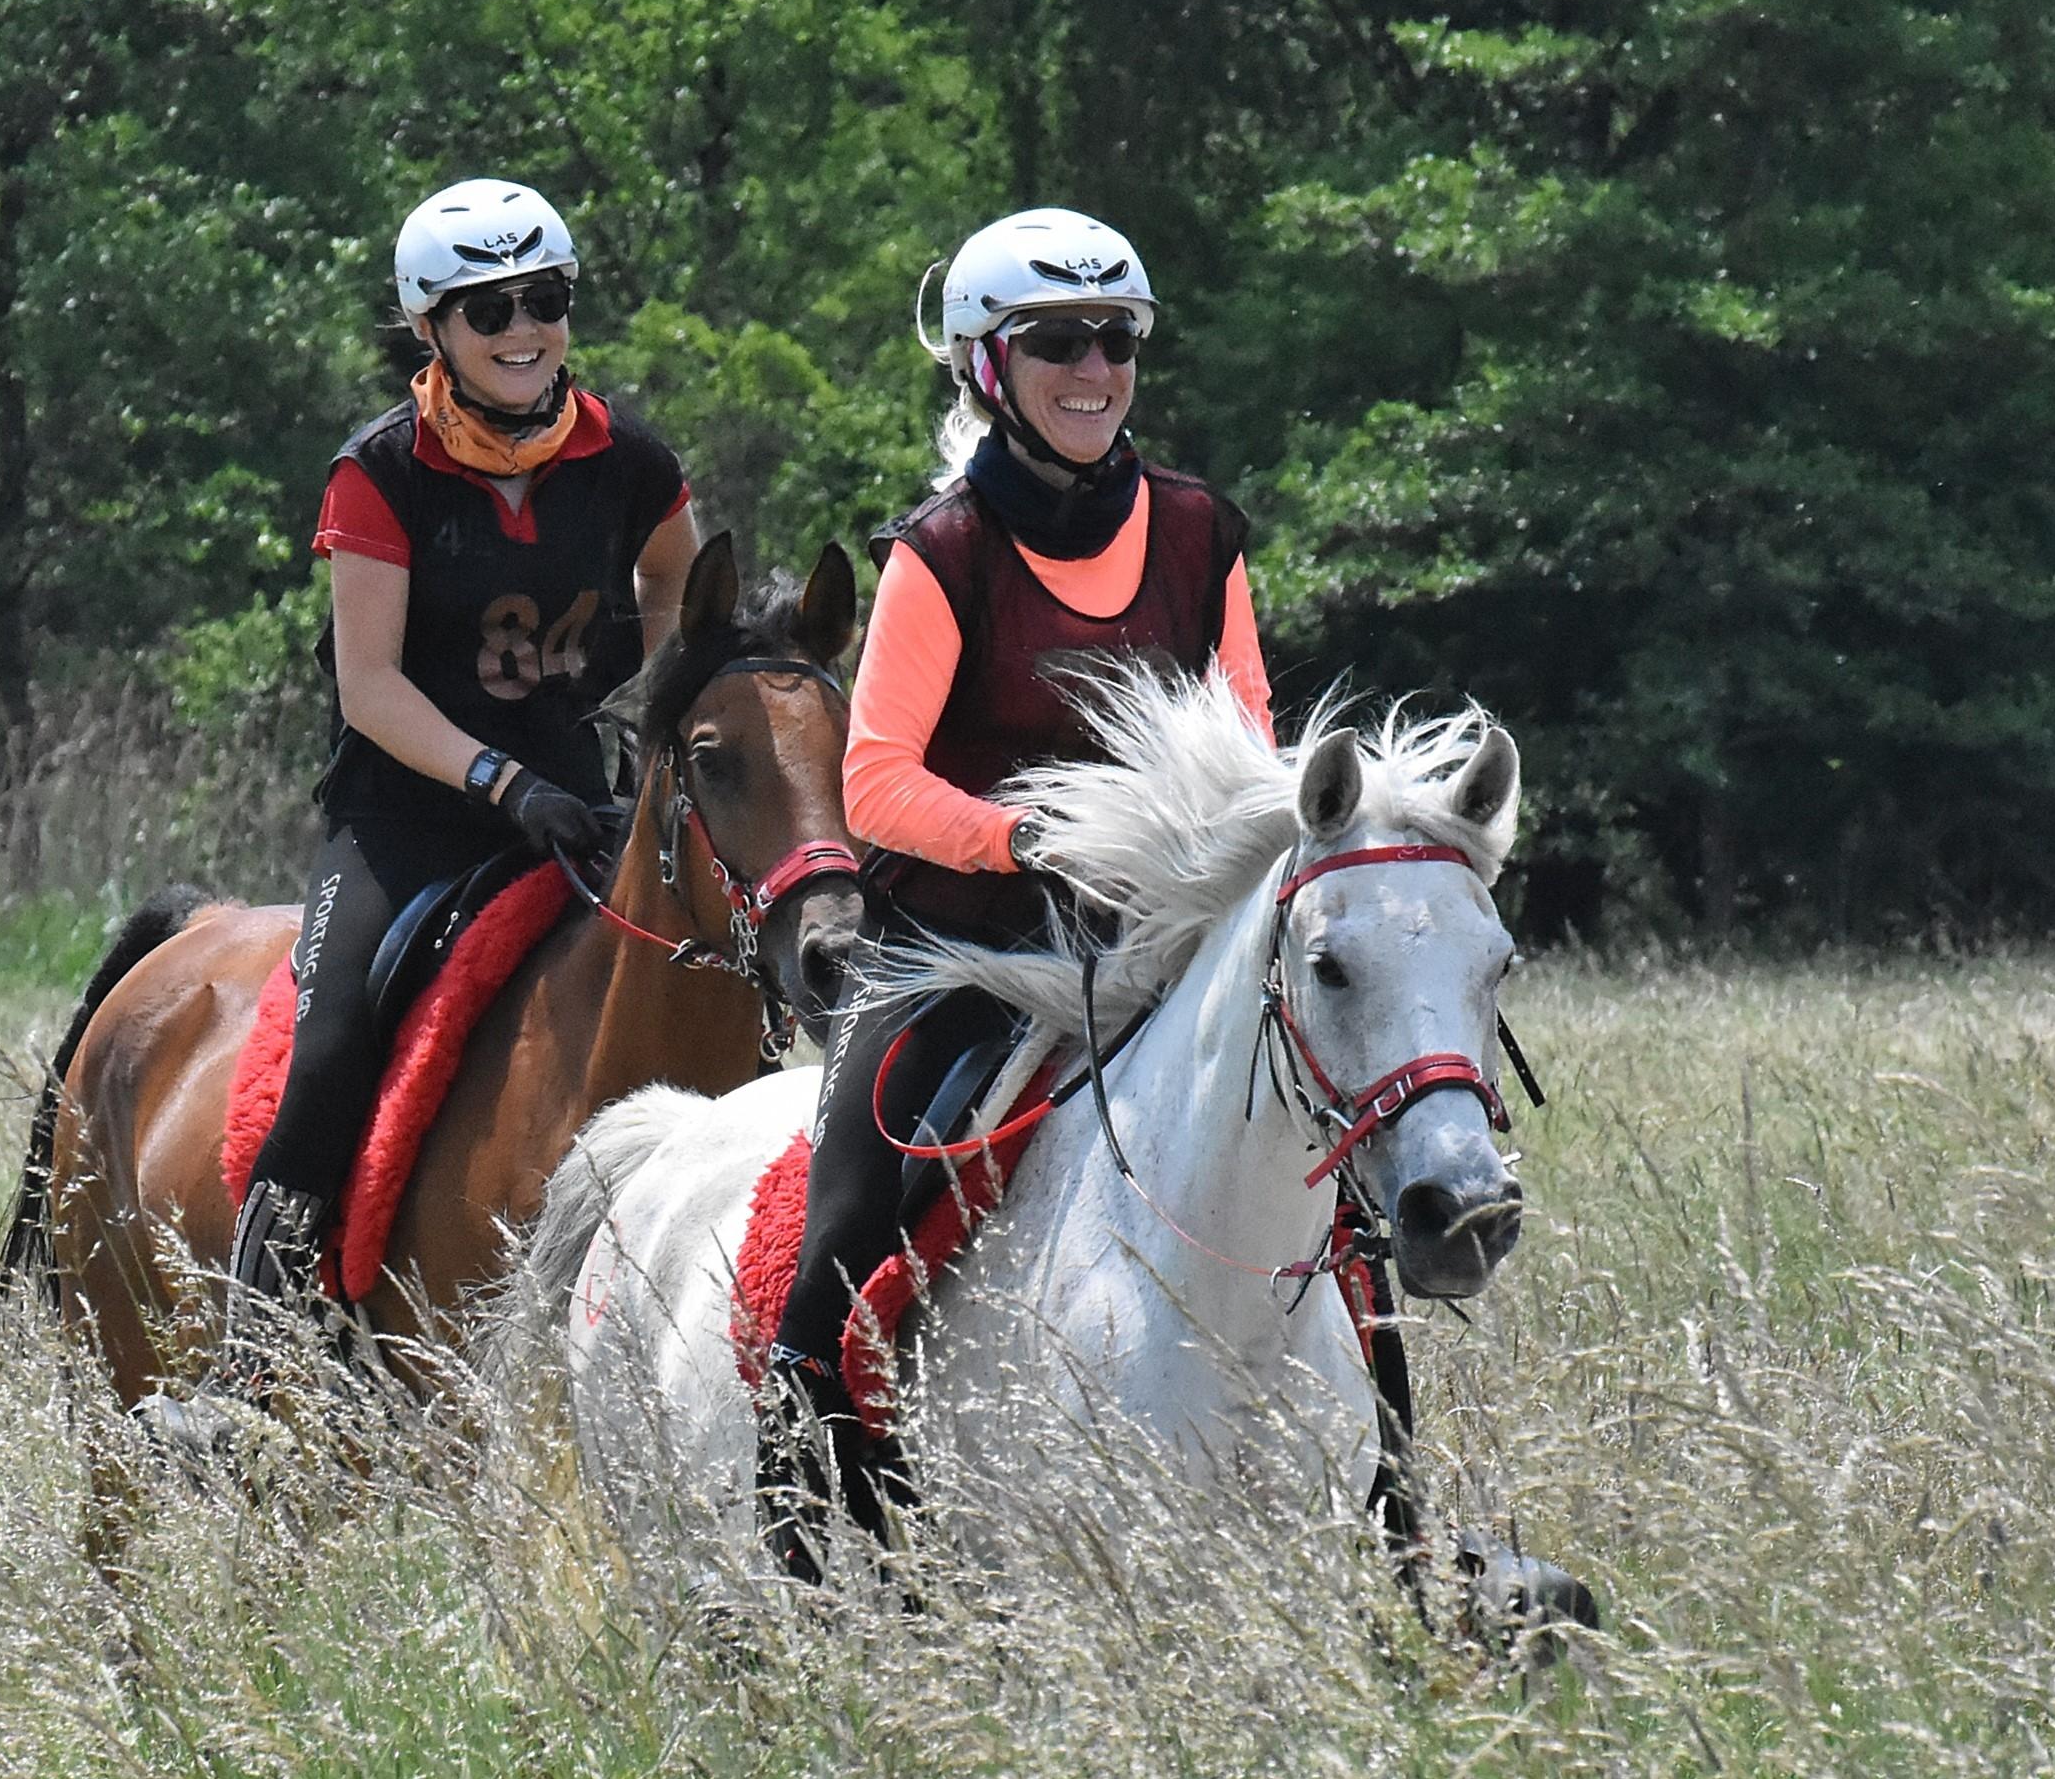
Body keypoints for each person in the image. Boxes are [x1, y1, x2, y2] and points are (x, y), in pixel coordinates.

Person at [760, 206, 1274, 1564]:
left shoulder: (1202, 531)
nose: (1095, 366)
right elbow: (874, 784)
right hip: (962, 955)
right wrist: (1034, 841)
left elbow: (1254, 747)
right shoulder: (941, 552)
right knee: (847, 1230)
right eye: (1057, 340)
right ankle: (807, 1513)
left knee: (1341, 1187)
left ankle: (1407, 1527)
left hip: (1160, 944)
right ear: (990, 364)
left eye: (1117, 338)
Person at [229, 177, 697, 1341]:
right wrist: (502, 783)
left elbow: (681, 590)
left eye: (544, 299)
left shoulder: (627, 455)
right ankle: (254, 1349)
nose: (524, 330)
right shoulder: (377, 471)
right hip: (405, 818)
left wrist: (636, 698)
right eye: (488, 311)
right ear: (429, 327)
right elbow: (370, 689)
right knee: (330, 1042)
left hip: (576, 804)